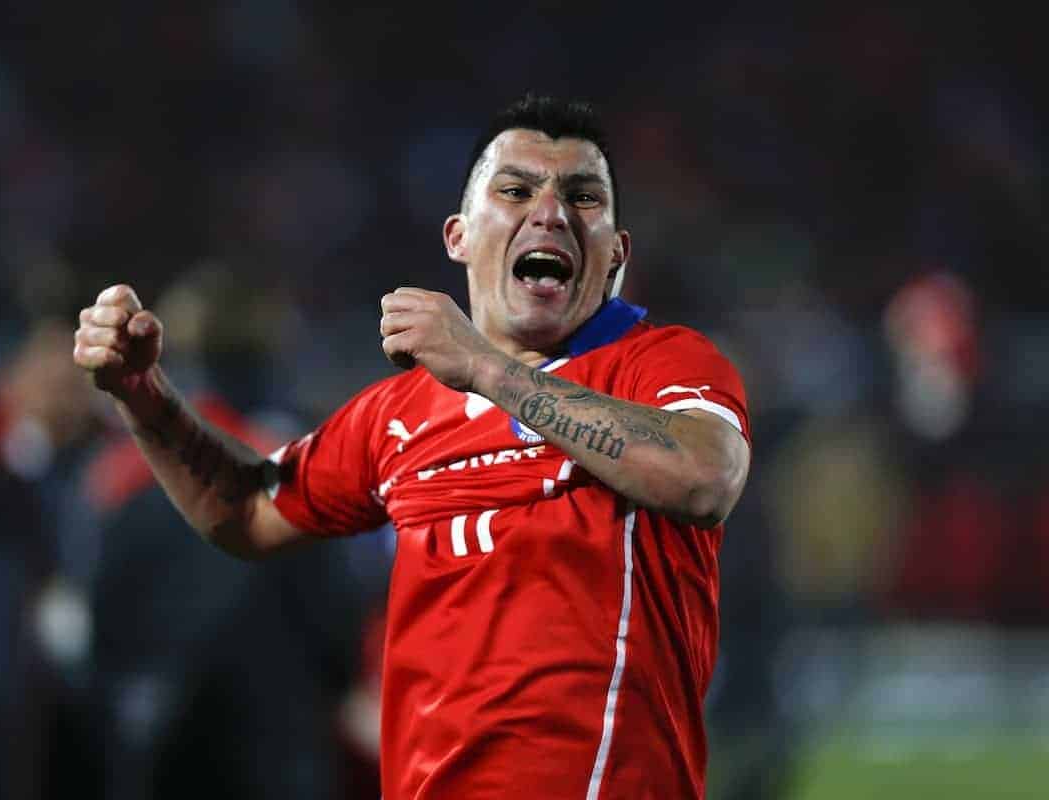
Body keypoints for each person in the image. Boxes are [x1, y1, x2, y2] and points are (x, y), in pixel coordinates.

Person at [74, 94, 751, 799]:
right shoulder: (396, 416)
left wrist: (488, 369)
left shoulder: (662, 366)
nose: (550, 211)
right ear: (458, 236)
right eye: (517, 189)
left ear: (616, 253)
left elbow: (704, 477)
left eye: (583, 197)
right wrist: (142, 396)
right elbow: (243, 512)